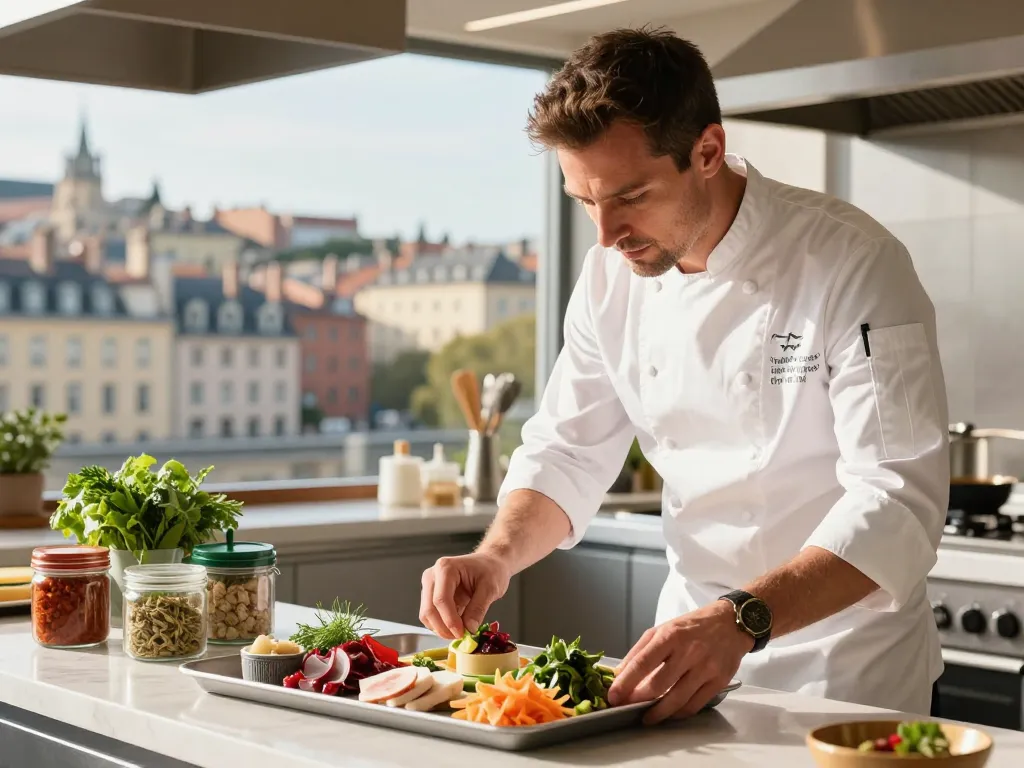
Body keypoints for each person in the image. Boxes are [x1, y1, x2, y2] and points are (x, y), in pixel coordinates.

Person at [419, 26, 949, 725]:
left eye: (630, 196)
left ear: (708, 152)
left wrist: (743, 618)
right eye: (583, 201)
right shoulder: (611, 276)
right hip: (686, 664)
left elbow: (898, 500)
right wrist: (495, 557)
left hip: (845, 674)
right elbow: (567, 452)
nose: (605, 235)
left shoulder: (854, 263)